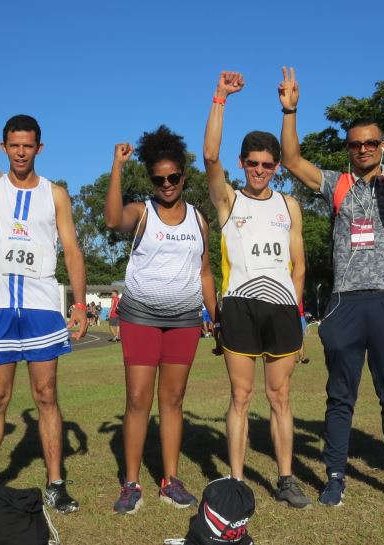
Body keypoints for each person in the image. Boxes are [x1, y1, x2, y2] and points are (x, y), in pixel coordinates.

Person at [279, 54, 384, 506]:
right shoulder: (336, 184)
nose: (364, 150)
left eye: (371, 143)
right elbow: (291, 159)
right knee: (340, 398)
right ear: (349, 149)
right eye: (356, 145)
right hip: (344, 304)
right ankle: (335, 476)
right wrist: (290, 110)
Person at [0, 31, 88, 515]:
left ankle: (56, 483)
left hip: (43, 307)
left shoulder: (56, 194)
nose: (21, 153)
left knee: (46, 395)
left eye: (29, 146)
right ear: (6, 146)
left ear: (40, 147)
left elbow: (72, 249)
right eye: (14, 145)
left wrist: (79, 305)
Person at [203, 71, 311, 509]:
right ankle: (237, 480)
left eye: (268, 165)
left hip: (284, 310)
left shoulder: (291, 206)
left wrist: (299, 316)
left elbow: (299, 265)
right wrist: (220, 98)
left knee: (280, 397)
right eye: (253, 164)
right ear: (243, 163)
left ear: (277, 167)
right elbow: (210, 155)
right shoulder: (229, 200)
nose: (261, 171)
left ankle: (285, 479)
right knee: (241, 396)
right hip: (240, 308)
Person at [103, 129, 217, 514]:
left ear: (184, 176)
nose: (167, 185)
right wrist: (117, 167)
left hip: (184, 320)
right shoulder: (141, 212)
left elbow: (205, 273)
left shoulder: (199, 220)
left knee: (172, 401)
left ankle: (170, 480)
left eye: (174, 177)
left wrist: (215, 318)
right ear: (151, 180)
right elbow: (112, 218)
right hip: (140, 318)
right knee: (137, 400)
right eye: (158, 179)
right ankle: (131, 483)